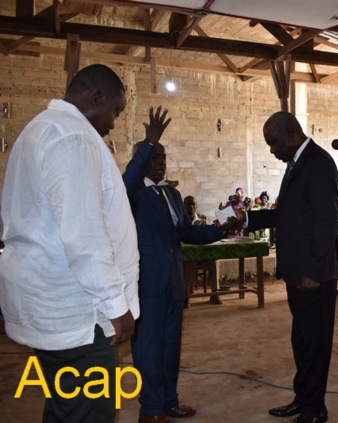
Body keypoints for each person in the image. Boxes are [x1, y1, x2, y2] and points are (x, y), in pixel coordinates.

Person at [0, 64, 138, 423]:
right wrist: (115, 304)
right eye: (115, 111)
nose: (114, 122)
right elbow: (85, 234)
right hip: (80, 314)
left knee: (66, 407)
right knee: (89, 411)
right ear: (96, 98)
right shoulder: (72, 137)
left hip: (49, 303)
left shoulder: (38, 130)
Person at [235, 111, 338, 423]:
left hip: (314, 275)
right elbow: (288, 214)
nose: (272, 150)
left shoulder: (319, 163)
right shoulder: (297, 163)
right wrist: (247, 219)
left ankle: (315, 409)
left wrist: (312, 271)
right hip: (298, 272)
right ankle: (303, 398)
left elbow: (325, 223)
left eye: (274, 143)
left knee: (315, 342)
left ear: (291, 133)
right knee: (302, 339)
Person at [123, 107, 229, 423]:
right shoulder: (132, 194)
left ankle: (170, 401)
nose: (160, 164)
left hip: (173, 284)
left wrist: (223, 229)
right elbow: (127, 178)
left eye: (163, 159)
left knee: (170, 349)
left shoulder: (172, 193)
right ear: (144, 160)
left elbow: (186, 233)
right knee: (147, 350)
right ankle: (150, 409)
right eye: (154, 159)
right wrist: (148, 143)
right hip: (147, 285)